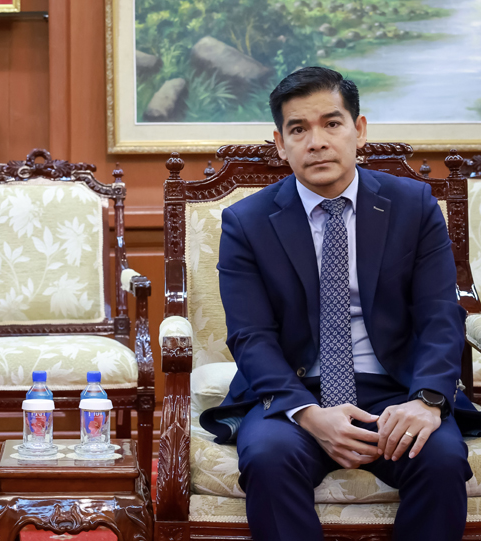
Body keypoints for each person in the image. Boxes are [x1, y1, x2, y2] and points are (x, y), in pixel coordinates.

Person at [199, 66, 479, 540]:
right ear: (280, 143)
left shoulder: (413, 206)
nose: (317, 142)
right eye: (298, 129)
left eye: (332, 123)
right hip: (293, 394)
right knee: (269, 458)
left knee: (442, 459)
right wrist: (308, 414)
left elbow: (439, 317)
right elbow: (250, 335)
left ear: (359, 130)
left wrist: (427, 400)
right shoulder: (247, 222)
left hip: (397, 389)